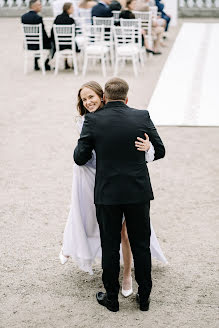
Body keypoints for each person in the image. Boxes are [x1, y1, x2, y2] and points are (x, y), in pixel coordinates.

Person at [60, 81, 167, 298]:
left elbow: (80, 157)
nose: (88, 102)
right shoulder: (140, 116)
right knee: (139, 244)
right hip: (133, 190)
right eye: (84, 99)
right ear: (125, 98)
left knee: (113, 243)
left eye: (92, 97)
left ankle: (113, 296)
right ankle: (144, 297)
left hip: (107, 191)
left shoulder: (95, 121)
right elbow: (161, 150)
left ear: (104, 97)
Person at [21, 0, 51, 71]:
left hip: (28, 43)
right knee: (53, 43)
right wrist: (49, 39)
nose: (41, 7)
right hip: (38, 44)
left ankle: (36, 62)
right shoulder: (38, 18)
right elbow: (42, 33)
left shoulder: (23, 17)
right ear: (34, 6)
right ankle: (46, 63)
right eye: (39, 5)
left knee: (40, 41)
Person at [50, 2, 77, 70]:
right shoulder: (71, 20)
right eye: (72, 8)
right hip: (69, 44)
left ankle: (66, 63)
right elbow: (74, 34)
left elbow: (52, 31)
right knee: (76, 45)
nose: (73, 9)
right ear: (68, 9)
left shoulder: (57, 18)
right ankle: (72, 64)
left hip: (58, 44)